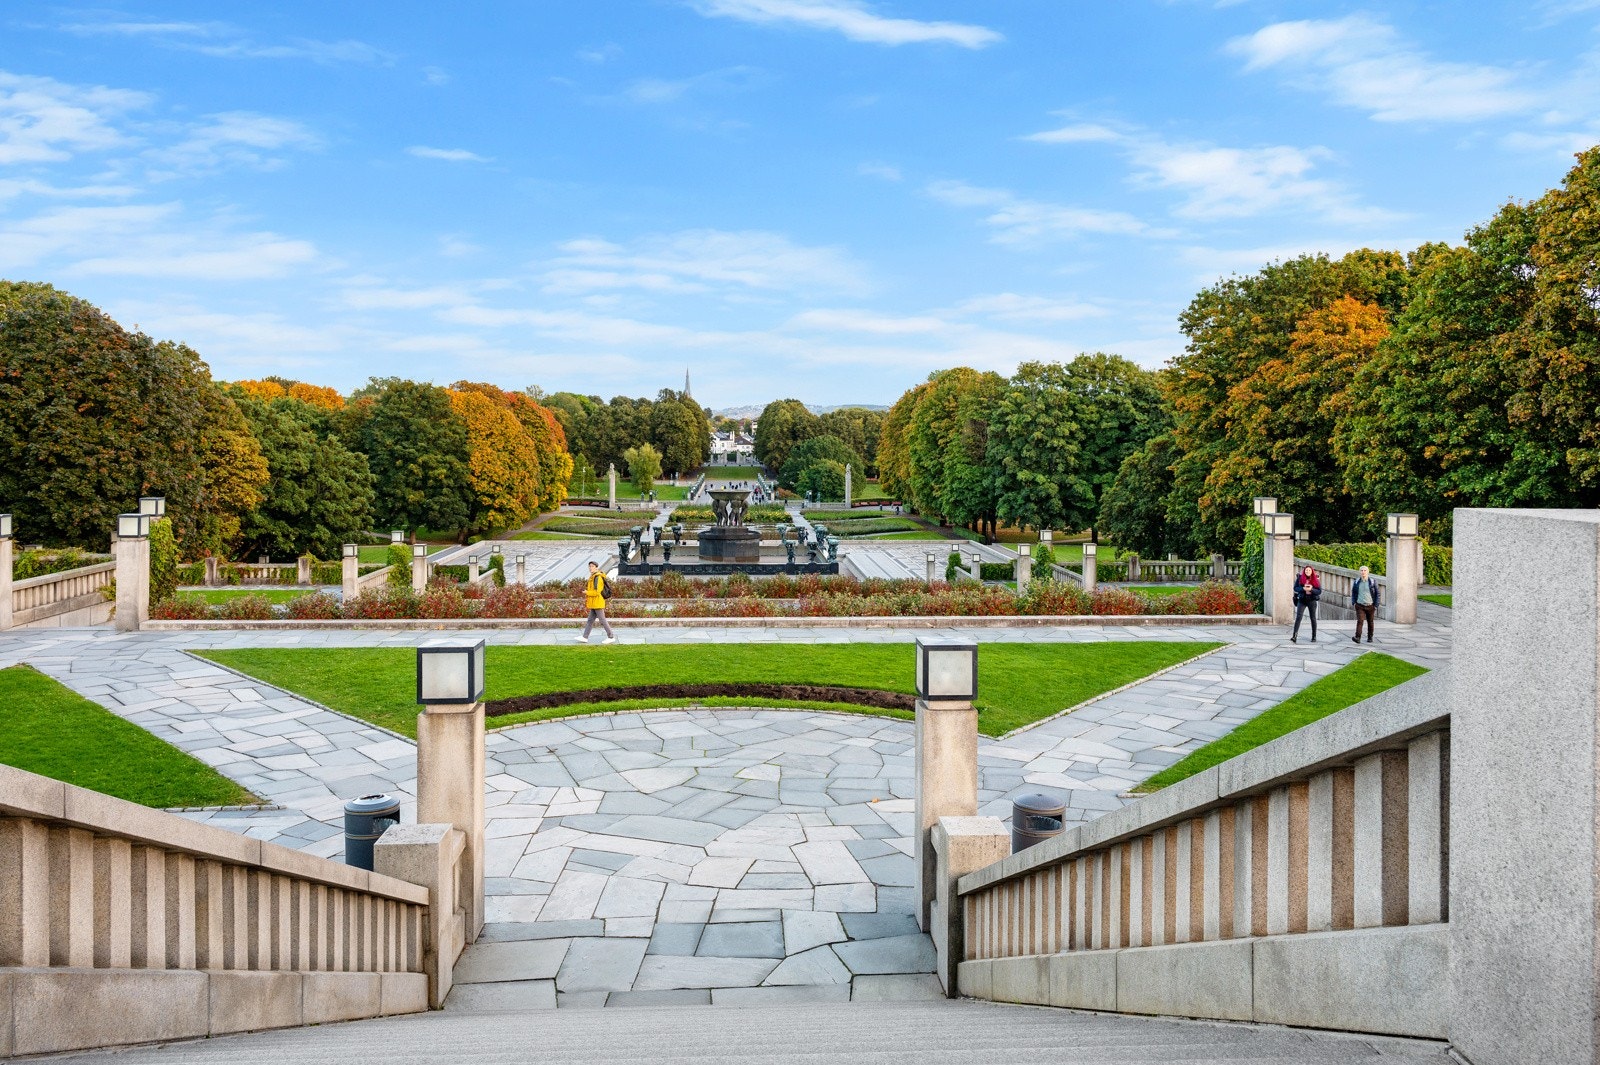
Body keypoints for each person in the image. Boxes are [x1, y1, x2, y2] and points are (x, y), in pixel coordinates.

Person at [576, 560, 616, 644]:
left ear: (596, 567)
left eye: (592, 566)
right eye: (589, 566)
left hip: (597, 602)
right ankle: (585, 637)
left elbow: (597, 592)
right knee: (590, 620)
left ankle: (611, 636)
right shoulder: (593, 576)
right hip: (594, 603)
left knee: (602, 620)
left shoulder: (597, 577)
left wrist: (587, 592)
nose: (590, 568)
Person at [1291, 564, 1321, 643]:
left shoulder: (1315, 579)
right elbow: (1295, 588)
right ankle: (1294, 635)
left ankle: (1314, 636)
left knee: (1313, 618)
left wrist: (1312, 589)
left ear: (1312, 572)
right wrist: (1303, 589)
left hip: (1312, 600)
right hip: (1302, 599)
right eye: (1306, 570)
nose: (1308, 571)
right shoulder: (1300, 578)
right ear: (1304, 571)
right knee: (1298, 617)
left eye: (1309, 570)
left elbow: (1319, 591)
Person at [1351, 565, 1381, 643]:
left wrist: (1376, 605)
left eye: (1365, 570)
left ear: (1367, 572)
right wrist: (1354, 602)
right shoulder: (1357, 581)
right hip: (1360, 605)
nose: (1363, 572)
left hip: (1370, 605)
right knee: (1360, 621)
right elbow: (1353, 592)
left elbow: (1377, 593)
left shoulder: (1373, 582)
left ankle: (1370, 637)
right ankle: (1357, 637)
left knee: (1370, 622)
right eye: (1361, 570)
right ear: (1359, 572)